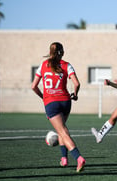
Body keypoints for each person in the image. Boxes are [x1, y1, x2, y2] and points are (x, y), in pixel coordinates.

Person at [31, 42, 85, 172]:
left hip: (51, 103)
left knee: (63, 132)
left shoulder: (43, 65)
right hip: (66, 101)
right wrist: (75, 95)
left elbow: (34, 86)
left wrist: (44, 97)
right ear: (63, 53)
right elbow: (76, 84)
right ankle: (64, 159)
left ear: (50, 52)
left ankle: (78, 158)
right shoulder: (67, 65)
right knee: (62, 130)